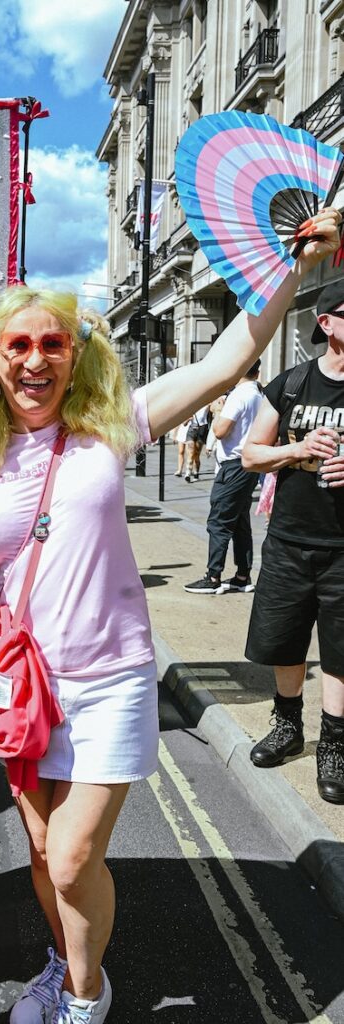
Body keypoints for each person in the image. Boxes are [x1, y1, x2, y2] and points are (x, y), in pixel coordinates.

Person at [0, 208, 339, 1024]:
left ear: (73, 356)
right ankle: (63, 967)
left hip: (107, 680)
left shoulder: (108, 428)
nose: (33, 360)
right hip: (23, 687)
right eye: (16, 346)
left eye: (50, 345)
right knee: (38, 854)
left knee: (68, 861)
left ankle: (86, 997)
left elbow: (226, 357)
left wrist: (296, 271)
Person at [243, 277, 344, 804]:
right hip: (289, 540)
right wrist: (296, 448)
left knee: (341, 651)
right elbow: (250, 454)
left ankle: (334, 746)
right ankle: (287, 728)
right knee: (283, 639)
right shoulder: (290, 383)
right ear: (326, 323)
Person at [184, 360, 263, 595]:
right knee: (240, 522)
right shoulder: (258, 395)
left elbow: (220, 431)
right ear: (257, 371)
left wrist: (218, 411)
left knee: (219, 521)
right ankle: (242, 575)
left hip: (233, 465)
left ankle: (213, 576)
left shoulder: (239, 396)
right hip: (248, 464)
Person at [184, 403, 210, 481]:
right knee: (190, 453)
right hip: (191, 430)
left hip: (201, 430)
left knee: (196, 454)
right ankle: (188, 473)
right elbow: (184, 424)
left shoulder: (206, 406)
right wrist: (188, 419)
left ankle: (196, 472)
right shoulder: (191, 408)